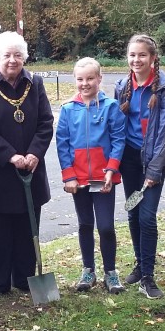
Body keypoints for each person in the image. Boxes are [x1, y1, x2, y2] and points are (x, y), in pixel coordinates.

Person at [0, 31, 54, 298]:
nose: (12, 60)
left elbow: (45, 122)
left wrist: (34, 153)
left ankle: (24, 277)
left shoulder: (35, 83)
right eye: (6, 55)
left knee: (27, 226)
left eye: (18, 55)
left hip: (30, 169)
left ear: (25, 58)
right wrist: (10, 155)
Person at [113, 34, 165, 299]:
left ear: (153, 58)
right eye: (132, 55)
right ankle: (140, 265)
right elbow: (117, 124)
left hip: (154, 160)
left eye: (142, 55)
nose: (136, 60)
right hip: (129, 159)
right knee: (132, 211)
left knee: (146, 215)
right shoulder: (122, 86)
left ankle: (149, 277)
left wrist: (154, 170)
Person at [56, 57, 127, 294]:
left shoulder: (110, 107)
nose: (85, 83)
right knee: (85, 224)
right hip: (79, 179)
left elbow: (118, 139)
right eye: (80, 79)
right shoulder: (67, 109)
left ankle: (110, 271)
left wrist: (111, 169)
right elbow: (62, 143)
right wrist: (68, 176)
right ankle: (88, 270)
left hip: (103, 177)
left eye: (89, 78)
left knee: (106, 226)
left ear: (99, 79)